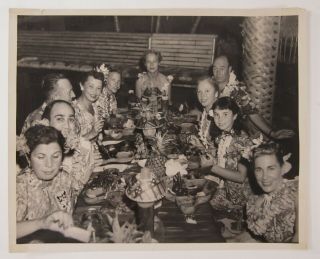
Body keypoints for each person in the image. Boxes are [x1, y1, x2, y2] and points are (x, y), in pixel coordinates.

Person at [16, 125, 82, 239]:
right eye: (41, 157)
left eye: (55, 156)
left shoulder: (64, 178)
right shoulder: (19, 188)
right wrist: (41, 223)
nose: (49, 165)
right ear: (28, 158)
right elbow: (5, 231)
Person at [210, 55, 294, 139]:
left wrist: (272, 133)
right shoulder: (209, 85)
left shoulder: (236, 91)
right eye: (215, 68)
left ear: (229, 69)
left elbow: (252, 113)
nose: (218, 72)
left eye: (222, 68)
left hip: (231, 135)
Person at [230, 142, 298, 243]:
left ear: (283, 168)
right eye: (258, 170)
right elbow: (253, 237)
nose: (264, 177)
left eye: (271, 168)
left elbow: (299, 240)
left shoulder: (297, 194)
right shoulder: (256, 202)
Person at [203, 97, 253, 212]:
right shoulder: (222, 135)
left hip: (240, 198)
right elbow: (222, 161)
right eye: (216, 115)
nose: (220, 119)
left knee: (205, 207)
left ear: (235, 116)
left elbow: (241, 177)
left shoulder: (242, 141)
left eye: (225, 114)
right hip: (225, 189)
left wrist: (212, 168)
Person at [42, 100, 96, 186]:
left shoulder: (85, 146)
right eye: (60, 119)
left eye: (71, 119)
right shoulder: (38, 154)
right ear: (46, 123)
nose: (67, 126)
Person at [73, 70, 105, 141]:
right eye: (91, 86)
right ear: (82, 86)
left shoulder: (96, 107)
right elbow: (70, 144)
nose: (94, 92)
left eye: (98, 88)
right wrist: (92, 133)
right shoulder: (73, 110)